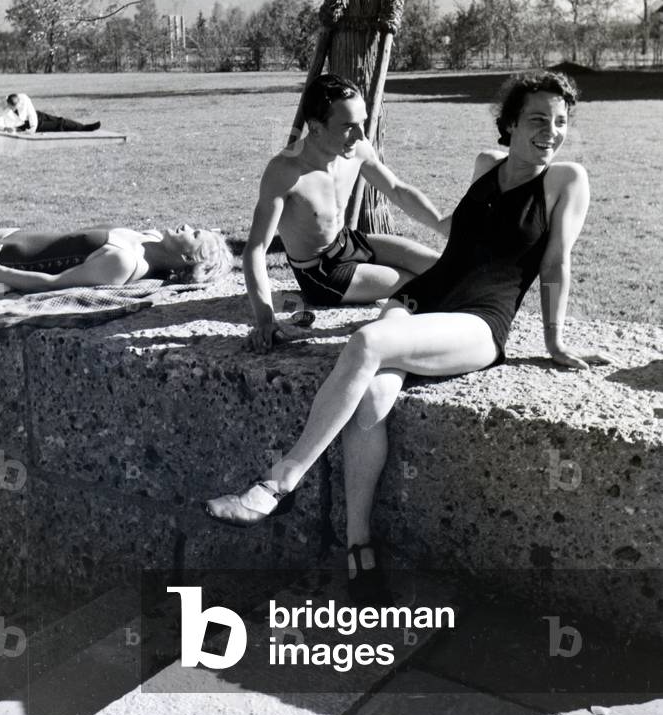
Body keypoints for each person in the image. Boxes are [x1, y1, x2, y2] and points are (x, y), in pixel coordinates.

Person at [207, 71, 611, 596]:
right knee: (371, 394)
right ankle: (360, 547)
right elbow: (458, 242)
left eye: (560, 122)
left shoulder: (566, 181)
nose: (552, 132)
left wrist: (554, 341)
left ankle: (279, 481)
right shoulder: (485, 166)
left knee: (367, 343)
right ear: (510, 124)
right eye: (538, 120)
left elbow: (556, 262)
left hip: (479, 321)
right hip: (421, 300)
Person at [244, 74, 448, 352]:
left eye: (362, 123)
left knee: (442, 267)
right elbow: (256, 249)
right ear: (315, 128)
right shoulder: (285, 172)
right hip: (321, 273)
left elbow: (397, 190)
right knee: (416, 284)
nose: (362, 135)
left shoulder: (357, 149)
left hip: (348, 241)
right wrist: (265, 319)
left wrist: (441, 223)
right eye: (349, 126)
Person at [0, 224, 232, 292]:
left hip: (2, 256)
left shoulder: (126, 263)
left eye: (194, 233)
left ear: (188, 258)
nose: (186, 225)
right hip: (14, 236)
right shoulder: (151, 237)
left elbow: (53, 282)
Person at [0, 93, 102, 133]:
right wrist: (4, 128)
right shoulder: (2, 106)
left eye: (16, 106)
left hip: (35, 118)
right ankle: (86, 129)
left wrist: (33, 128)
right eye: (12, 107)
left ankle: (83, 127)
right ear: (8, 103)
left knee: (60, 120)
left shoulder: (24, 98)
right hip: (23, 125)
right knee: (58, 125)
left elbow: (32, 114)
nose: (14, 109)